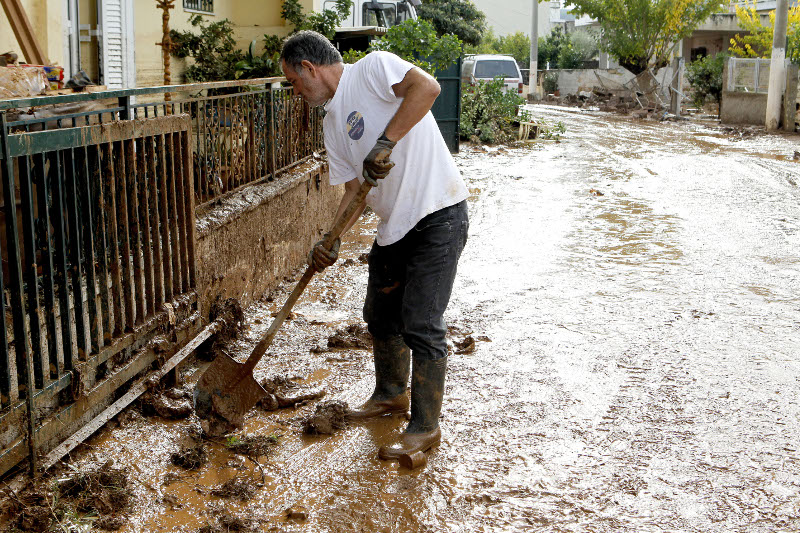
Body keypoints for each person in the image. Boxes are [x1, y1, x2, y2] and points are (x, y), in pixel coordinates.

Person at [280, 31, 468, 462]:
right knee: (380, 316)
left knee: (421, 323)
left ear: (309, 67)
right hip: (393, 226)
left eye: (293, 81)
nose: (296, 91)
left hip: (438, 212)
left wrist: (386, 142)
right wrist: (331, 237)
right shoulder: (331, 122)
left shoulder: (373, 68)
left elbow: (428, 88)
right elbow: (354, 191)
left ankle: (424, 427)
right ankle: (389, 395)